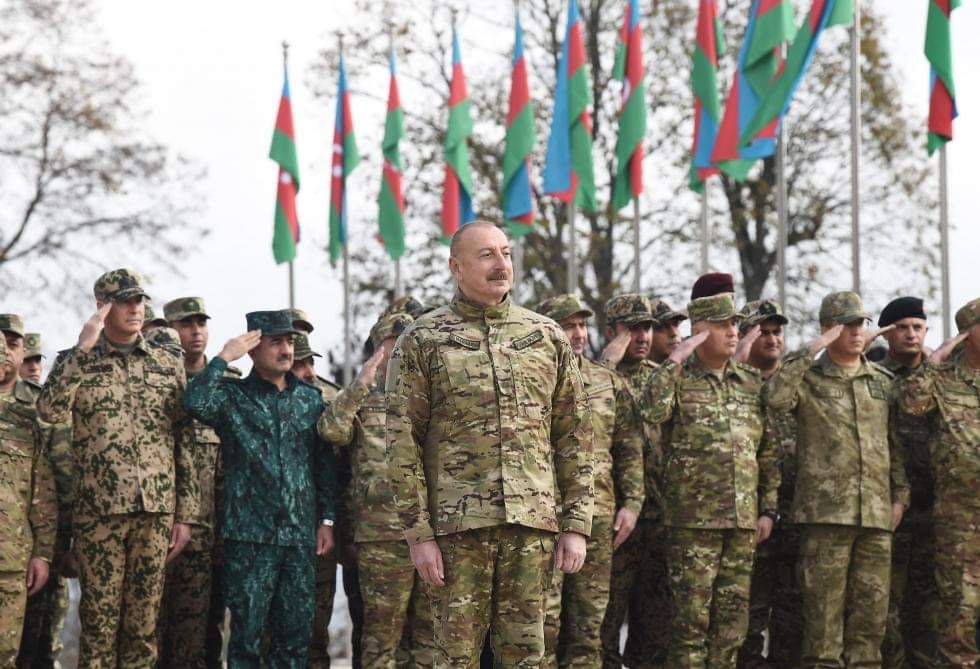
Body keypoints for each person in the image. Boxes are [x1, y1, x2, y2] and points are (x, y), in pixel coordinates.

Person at [386, 221, 594, 667]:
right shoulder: (423, 339)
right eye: (486, 255)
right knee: (452, 658)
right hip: (456, 532)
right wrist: (417, 534)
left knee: (526, 658)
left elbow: (574, 434)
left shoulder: (545, 337)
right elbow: (402, 442)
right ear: (455, 267)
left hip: (531, 527)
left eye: (506, 252)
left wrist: (576, 523)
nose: (501, 264)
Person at [36, 268, 195, 668]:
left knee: (143, 629)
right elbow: (50, 410)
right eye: (124, 301)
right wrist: (80, 350)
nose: (135, 308)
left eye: (139, 300)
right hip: (100, 517)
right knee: (99, 627)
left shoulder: (165, 363)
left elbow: (183, 438)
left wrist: (186, 514)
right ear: (102, 307)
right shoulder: (79, 362)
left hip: (155, 513)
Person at [183, 309, 337, 669]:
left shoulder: (309, 400)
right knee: (247, 644)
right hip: (250, 539)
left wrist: (326, 520)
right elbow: (194, 402)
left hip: (299, 540)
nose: (285, 349)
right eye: (275, 342)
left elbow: (323, 465)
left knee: (294, 642)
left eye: (288, 341)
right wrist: (223, 357)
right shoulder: (232, 398)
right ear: (253, 349)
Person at [767, 291, 910, 667]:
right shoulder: (807, 379)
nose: (856, 331)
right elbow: (775, 399)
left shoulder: (881, 381)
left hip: (876, 517)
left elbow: (893, 445)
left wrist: (900, 497)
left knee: (870, 628)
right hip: (826, 518)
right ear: (828, 330)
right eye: (845, 324)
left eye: (860, 323)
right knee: (822, 630)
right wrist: (812, 348)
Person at [643, 292, 779, 668]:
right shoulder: (677, 379)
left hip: (741, 522)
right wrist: (675, 358)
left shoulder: (750, 383)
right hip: (693, 524)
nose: (733, 332)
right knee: (690, 625)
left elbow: (766, 450)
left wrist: (767, 509)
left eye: (735, 324)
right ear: (699, 333)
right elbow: (651, 410)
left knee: (732, 626)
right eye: (722, 325)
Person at [535, 294, 645, 668]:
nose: (579, 333)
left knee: (589, 626)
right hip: (545, 518)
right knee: (542, 626)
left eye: (582, 325)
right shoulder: (533, 380)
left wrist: (632, 503)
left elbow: (629, 445)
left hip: (598, 518)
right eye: (569, 325)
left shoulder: (606, 381)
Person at [319, 312, 434, 668]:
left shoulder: (430, 396)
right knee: (381, 638)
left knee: (429, 637)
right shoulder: (361, 401)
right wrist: (362, 382)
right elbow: (331, 430)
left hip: (431, 534)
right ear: (377, 351)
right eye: (392, 345)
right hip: (381, 538)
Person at [157, 296, 241, 668]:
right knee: (166, 633)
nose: (195, 332)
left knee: (213, 632)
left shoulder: (229, 385)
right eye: (186, 325)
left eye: (200, 324)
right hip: (172, 533)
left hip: (223, 530)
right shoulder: (158, 384)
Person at [901, 297, 980, 668]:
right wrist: (935, 359)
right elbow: (911, 404)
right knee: (960, 610)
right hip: (960, 518)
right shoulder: (944, 379)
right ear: (967, 335)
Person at [596, 293, 672, 669]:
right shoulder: (594, 381)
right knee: (603, 627)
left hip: (658, 521)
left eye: (647, 328)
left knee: (655, 629)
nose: (642, 336)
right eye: (632, 328)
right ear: (611, 332)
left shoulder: (662, 380)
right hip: (613, 524)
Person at [733, 300, 804, 668]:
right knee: (749, 615)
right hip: (749, 519)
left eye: (778, 332)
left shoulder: (797, 384)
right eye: (764, 332)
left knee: (792, 618)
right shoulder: (734, 386)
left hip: (795, 516)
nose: (773, 339)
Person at [874, 297, 938, 668]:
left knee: (930, 611)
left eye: (917, 326)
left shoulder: (941, 375)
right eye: (902, 327)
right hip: (889, 511)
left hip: (936, 509)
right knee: (888, 613)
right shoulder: (874, 378)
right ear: (887, 332)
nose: (911, 334)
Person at [0, 331, 57, 666]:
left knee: (7, 655)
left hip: (10, 561)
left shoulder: (25, 420)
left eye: (7, 351)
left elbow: (43, 492)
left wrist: (43, 554)